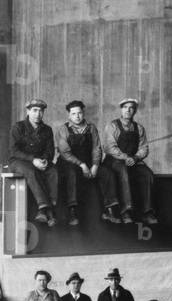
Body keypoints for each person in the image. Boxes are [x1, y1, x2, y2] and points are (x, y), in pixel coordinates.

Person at [56, 99, 118, 226]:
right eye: (73, 114)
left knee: (107, 173)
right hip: (69, 163)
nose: (77, 116)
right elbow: (65, 153)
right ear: (69, 115)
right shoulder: (63, 129)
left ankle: (109, 209)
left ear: (83, 113)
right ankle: (72, 211)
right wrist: (82, 165)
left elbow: (97, 148)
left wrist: (95, 165)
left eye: (79, 113)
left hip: (89, 163)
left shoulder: (91, 128)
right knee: (71, 173)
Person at [102, 98, 158, 226]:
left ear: (135, 111)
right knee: (123, 171)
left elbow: (144, 148)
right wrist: (125, 157)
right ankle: (126, 210)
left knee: (147, 173)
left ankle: (147, 212)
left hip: (133, 160)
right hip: (114, 160)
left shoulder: (139, 128)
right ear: (121, 109)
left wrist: (136, 158)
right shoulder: (112, 126)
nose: (128, 110)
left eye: (131, 107)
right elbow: (109, 147)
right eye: (125, 107)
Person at [8, 97, 58, 226]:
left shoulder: (47, 129)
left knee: (53, 171)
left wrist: (46, 160)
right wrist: (33, 160)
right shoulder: (18, 127)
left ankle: (51, 204)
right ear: (28, 111)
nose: (38, 114)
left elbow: (50, 150)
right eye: (34, 110)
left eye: (41, 111)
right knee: (30, 171)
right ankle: (44, 209)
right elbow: (14, 151)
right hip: (19, 162)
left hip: (39, 161)